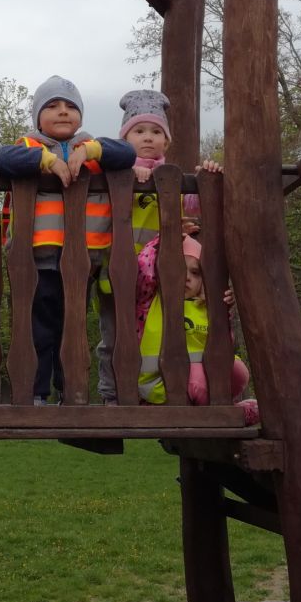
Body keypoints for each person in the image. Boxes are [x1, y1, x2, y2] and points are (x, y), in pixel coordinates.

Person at [0, 76, 136, 404]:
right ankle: (36, 393)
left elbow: (127, 153)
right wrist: (47, 161)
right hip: (37, 259)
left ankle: (69, 391)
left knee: (72, 328)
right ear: (37, 117)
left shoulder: (93, 149)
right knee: (38, 329)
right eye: (52, 106)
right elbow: (3, 159)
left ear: (81, 116)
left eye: (71, 106)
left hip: (82, 260)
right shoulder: (27, 146)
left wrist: (88, 150)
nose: (63, 111)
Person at [97, 89, 212, 404]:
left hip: (159, 278)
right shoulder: (113, 174)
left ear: (167, 142)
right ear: (124, 138)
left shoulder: (169, 178)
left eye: (156, 131)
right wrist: (127, 171)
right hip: (117, 272)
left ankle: (152, 393)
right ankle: (111, 394)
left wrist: (204, 178)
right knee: (113, 336)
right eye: (139, 131)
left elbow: (194, 205)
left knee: (154, 334)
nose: (148, 137)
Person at [134, 233, 258, 425]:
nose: (187, 277)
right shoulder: (151, 300)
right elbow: (143, 266)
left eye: (195, 273)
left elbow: (223, 345)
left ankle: (223, 409)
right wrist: (163, 238)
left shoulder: (204, 306)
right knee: (198, 380)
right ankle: (223, 415)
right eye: (178, 268)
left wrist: (225, 309)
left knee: (238, 370)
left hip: (199, 379)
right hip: (160, 382)